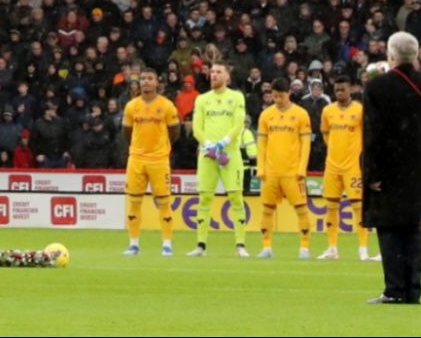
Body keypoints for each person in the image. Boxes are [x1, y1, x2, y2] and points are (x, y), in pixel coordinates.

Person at [359, 31, 421, 305]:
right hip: (418, 167)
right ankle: (412, 289)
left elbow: (372, 134)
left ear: (390, 55)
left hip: (389, 166)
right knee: (413, 230)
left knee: (390, 228)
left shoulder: (376, 87)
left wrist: (370, 172)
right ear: (416, 55)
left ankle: (394, 289)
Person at [190, 61, 250, 257]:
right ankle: (201, 245)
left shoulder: (236, 97)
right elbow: (197, 127)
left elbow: (238, 123)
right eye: (212, 72)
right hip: (208, 154)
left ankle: (240, 245)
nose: (213, 75)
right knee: (204, 197)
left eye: (218, 72)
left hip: (229, 154)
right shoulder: (202, 99)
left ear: (227, 77)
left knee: (235, 197)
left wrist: (223, 143)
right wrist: (208, 144)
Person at [251, 79, 316, 259]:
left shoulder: (301, 114)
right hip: (271, 172)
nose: (277, 99)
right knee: (267, 208)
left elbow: (305, 144)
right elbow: (262, 143)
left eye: (281, 95)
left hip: (292, 172)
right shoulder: (266, 115)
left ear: (289, 93)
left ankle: (304, 247)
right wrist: (260, 168)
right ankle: (266, 247)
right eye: (274, 96)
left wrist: (302, 168)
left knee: (301, 208)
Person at [119, 70, 179, 256]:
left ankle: (167, 244)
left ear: (157, 82)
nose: (145, 82)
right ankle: (133, 244)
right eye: (143, 79)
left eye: (150, 79)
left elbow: (175, 132)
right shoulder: (131, 106)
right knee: (134, 201)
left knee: (164, 202)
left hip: (159, 160)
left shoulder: (167, 106)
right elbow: (127, 132)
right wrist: (138, 149)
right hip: (136, 159)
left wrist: (160, 148)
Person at [318, 76, 369, 263]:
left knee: (358, 208)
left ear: (350, 90)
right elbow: (325, 133)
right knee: (331, 207)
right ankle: (332, 248)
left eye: (343, 90)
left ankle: (363, 250)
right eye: (337, 90)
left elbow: (366, 135)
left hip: (353, 167)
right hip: (332, 166)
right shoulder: (327, 111)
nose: (340, 93)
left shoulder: (360, 110)